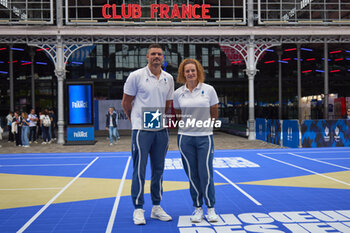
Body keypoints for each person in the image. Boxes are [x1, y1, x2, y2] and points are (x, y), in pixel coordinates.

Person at [122, 44, 174, 225]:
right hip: (141, 130)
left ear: (163, 57)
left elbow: (167, 104)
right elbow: (126, 102)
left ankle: (156, 207)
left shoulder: (168, 78)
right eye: (153, 54)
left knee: (158, 171)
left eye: (159, 54)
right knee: (139, 171)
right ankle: (138, 208)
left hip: (161, 130)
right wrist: (133, 120)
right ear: (147, 57)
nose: (156, 57)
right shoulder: (135, 76)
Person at [173, 58, 219, 223]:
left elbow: (214, 111)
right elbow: (178, 115)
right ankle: (198, 208)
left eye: (193, 70)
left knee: (206, 174)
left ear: (198, 71)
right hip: (185, 139)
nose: (190, 73)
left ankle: (211, 208)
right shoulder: (178, 93)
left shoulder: (209, 90)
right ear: (183, 74)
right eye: (187, 71)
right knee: (192, 175)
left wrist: (206, 126)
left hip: (204, 138)